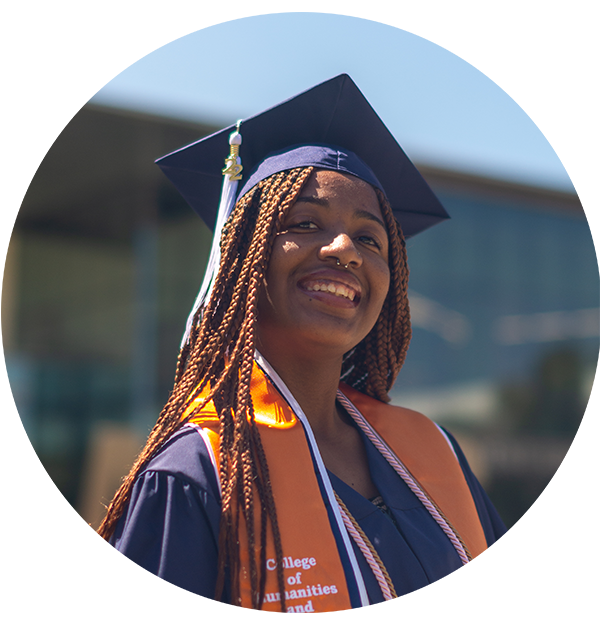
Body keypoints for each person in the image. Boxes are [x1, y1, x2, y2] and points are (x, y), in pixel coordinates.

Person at [97, 74, 508, 613]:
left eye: (369, 237)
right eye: (306, 223)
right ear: (242, 256)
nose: (345, 250)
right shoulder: (197, 473)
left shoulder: (435, 453)